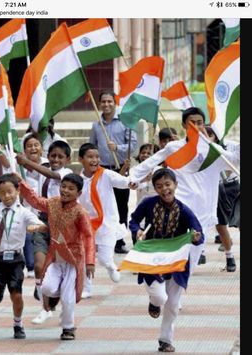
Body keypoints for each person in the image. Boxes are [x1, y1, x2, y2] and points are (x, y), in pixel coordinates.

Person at [129, 107, 240, 270]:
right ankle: (162, 272)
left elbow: (234, 160)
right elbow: (152, 161)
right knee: (173, 245)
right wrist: (134, 177)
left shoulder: (214, 150)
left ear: (204, 125)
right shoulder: (174, 147)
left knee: (192, 258)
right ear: (183, 125)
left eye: (199, 123)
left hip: (203, 208)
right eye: (191, 123)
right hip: (179, 204)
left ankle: (179, 277)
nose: (196, 126)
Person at [129, 168, 203, 353]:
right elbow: (134, 220)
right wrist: (137, 230)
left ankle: (165, 340)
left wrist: (195, 237)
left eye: (168, 184)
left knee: (172, 304)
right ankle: (154, 301)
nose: (164, 189)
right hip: (152, 257)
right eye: (159, 186)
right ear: (155, 188)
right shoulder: (148, 203)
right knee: (160, 297)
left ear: (175, 185)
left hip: (176, 261)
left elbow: (198, 234)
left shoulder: (184, 210)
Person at [18, 173, 95, 340]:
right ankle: (56, 297)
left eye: (71, 188)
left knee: (68, 298)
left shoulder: (80, 212)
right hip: (54, 256)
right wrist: (20, 182)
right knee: (46, 288)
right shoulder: (52, 203)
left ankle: (68, 328)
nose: (65, 190)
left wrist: (90, 262)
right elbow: (35, 201)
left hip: (73, 259)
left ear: (79, 193)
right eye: (63, 186)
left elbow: (89, 236)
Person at [0, 173, 47, 339]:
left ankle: (18, 324)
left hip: (15, 261)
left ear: (17, 191)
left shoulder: (23, 213)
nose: (6, 196)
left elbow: (40, 224)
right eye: (2, 193)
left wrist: (36, 228)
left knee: (17, 296)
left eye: (10, 191)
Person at [16, 140, 73, 324]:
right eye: (52, 155)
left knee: (62, 271)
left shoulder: (66, 173)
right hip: (42, 221)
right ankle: (45, 308)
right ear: (47, 156)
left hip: (62, 224)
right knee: (39, 266)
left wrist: (27, 162)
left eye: (60, 157)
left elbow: (51, 174)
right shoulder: (41, 170)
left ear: (67, 159)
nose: (55, 159)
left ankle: (63, 307)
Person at [77, 143, 137, 298]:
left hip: (106, 225)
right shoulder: (78, 180)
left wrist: (130, 183)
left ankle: (111, 266)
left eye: (97, 156)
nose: (94, 160)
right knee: (85, 258)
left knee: (104, 259)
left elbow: (123, 182)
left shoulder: (106, 174)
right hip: (86, 226)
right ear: (80, 159)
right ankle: (87, 289)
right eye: (90, 157)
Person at [89, 91, 138, 254]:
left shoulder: (125, 122)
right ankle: (102, 238)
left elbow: (133, 146)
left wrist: (117, 148)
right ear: (100, 103)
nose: (106, 104)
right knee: (102, 204)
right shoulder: (96, 125)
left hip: (120, 169)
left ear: (115, 103)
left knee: (121, 205)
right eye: (103, 102)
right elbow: (92, 146)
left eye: (110, 101)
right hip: (102, 170)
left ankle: (119, 240)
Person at [205, 126, 239, 272]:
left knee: (239, 221)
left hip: (233, 187)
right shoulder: (201, 150)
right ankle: (229, 257)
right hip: (215, 188)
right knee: (220, 224)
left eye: (209, 134)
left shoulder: (231, 145)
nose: (207, 137)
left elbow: (234, 161)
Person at [19, 133, 49, 279]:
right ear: (24, 150)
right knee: (28, 236)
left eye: (36, 145)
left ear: (42, 149)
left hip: (44, 208)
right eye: (29, 146)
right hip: (27, 209)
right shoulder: (18, 167)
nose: (33, 148)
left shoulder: (47, 165)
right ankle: (30, 265)